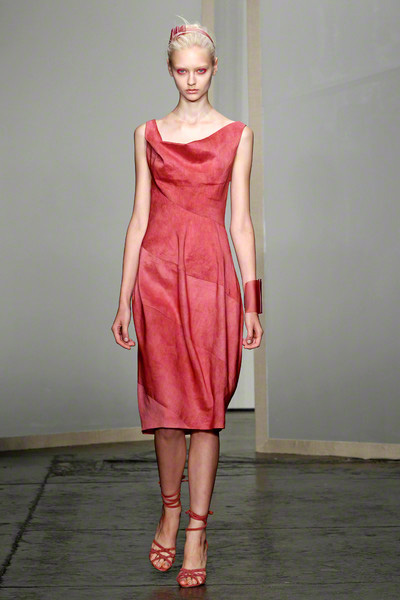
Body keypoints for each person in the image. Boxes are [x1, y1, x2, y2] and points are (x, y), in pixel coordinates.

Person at [111, 17, 263, 588]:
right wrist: (122, 299)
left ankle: (197, 529)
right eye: (182, 71)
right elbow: (138, 219)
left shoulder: (238, 135)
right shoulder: (146, 134)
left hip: (211, 280)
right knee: (166, 412)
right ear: (170, 71)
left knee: (204, 412)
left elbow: (241, 223)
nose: (192, 80)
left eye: (201, 70)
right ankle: (170, 510)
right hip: (156, 279)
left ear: (214, 69)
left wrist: (252, 302)